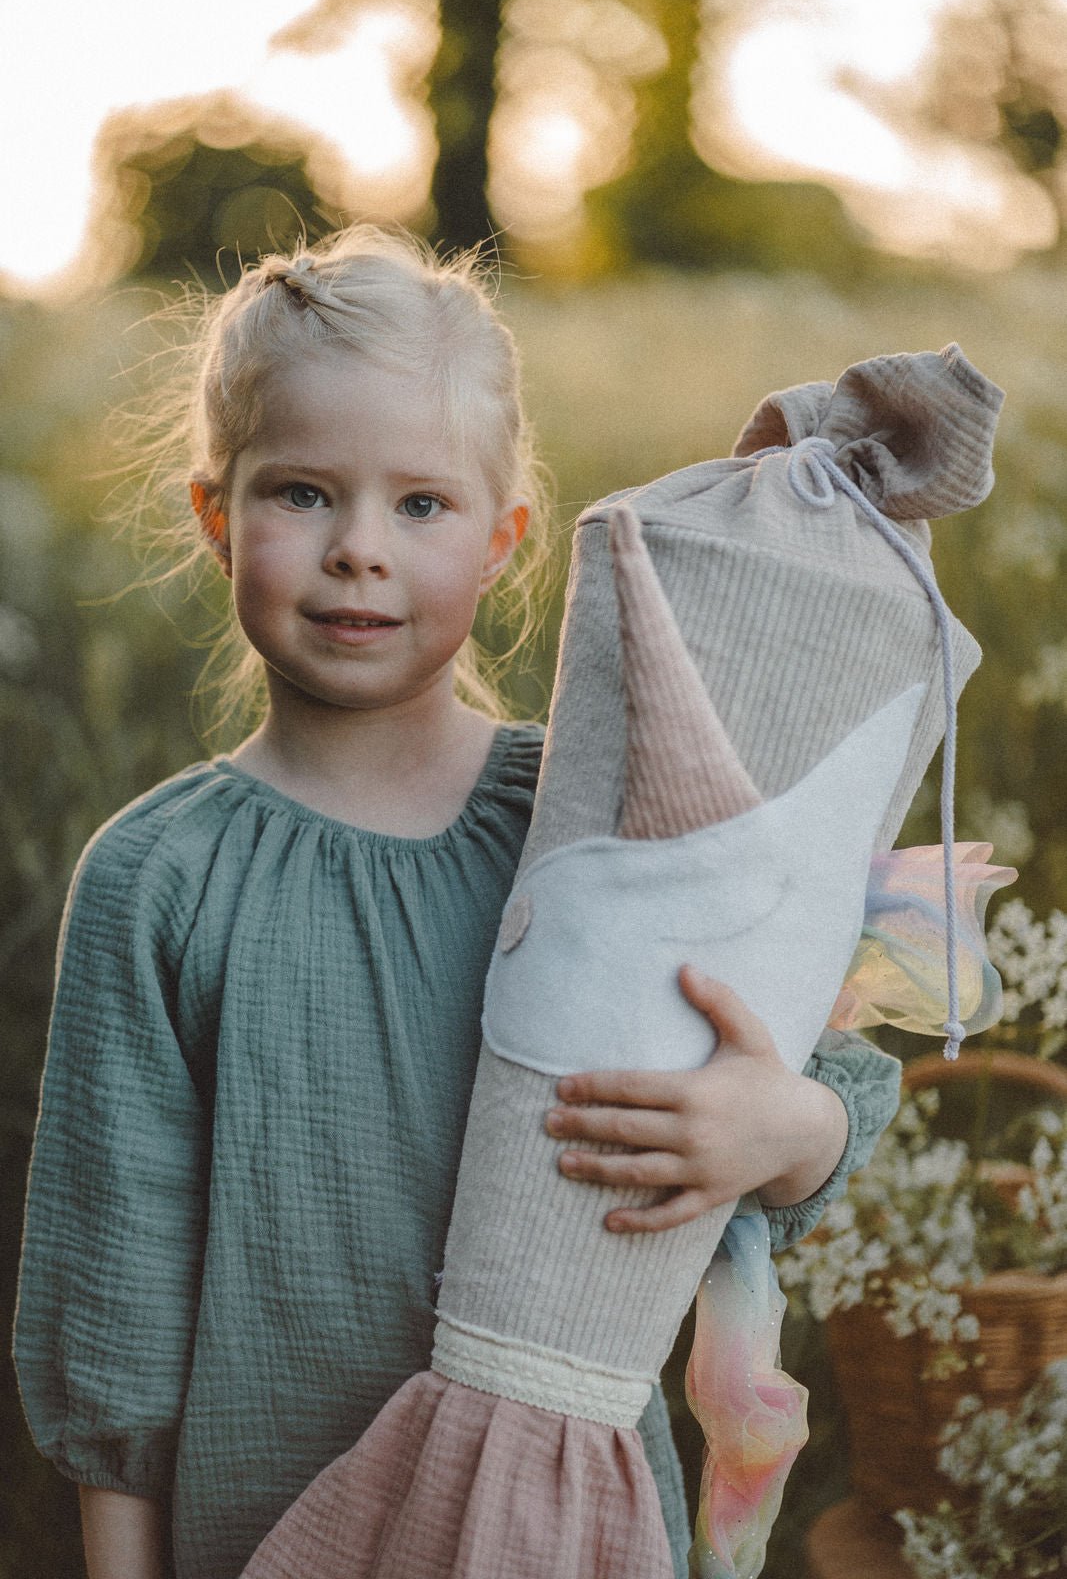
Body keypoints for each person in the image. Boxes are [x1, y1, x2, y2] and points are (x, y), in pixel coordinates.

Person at [14, 225, 900, 1579]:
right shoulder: (158, 881)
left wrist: (779, 1124)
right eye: (301, 493)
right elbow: (112, 1331)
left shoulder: (589, 824)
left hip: (563, 1530)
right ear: (214, 514)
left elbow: (831, 1087)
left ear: (502, 540)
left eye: (420, 506)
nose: (359, 550)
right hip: (261, 1531)